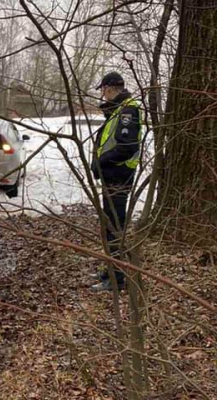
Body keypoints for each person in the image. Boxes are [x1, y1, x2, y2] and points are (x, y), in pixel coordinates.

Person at [90, 72, 142, 291]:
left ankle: (116, 278)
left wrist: (100, 162)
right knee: (109, 227)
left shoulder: (128, 111)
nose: (103, 94)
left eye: (103, 89)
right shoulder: (118, 111)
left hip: (119, 177)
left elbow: (126, 147)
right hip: (112, 177)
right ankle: (110, 271)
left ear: (111, 88)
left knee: (115, 228)